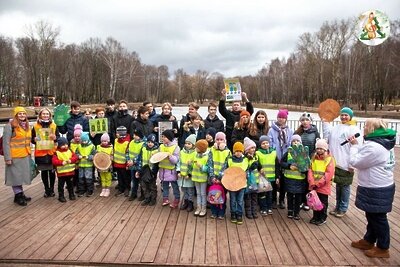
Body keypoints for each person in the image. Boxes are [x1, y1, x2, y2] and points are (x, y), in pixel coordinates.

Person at [349, 118, 396, 258]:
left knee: (378, 217)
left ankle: (383, 247)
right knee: (372, 214)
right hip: (380, 184)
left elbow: (355, 161)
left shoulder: (374, 147)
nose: (363, 128)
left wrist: (354, 146)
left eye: (365, 126)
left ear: (371, 129)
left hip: (376, 186)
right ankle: (369, 240)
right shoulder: (383, 142)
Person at [322, 107, 361, 218]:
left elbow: (357, 147)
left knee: (344, 187)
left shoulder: (353, 129)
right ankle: (337, 206)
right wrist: (325, 121)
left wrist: (352, 165)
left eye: (346, 115)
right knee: (338, 186)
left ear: (350, 116)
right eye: (342, 115)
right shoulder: (337, 127)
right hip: (335, 162)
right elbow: (328, 137)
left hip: (346, 163)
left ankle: (343, 208)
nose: (344, 117)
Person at [3, 107, 33, 206]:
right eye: (19, 114)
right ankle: (18, 195)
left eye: (23, 114)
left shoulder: (26, 126)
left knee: (20, 176)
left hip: (25, 154)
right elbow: (6, 143)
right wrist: (7, 158)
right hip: (14, 156)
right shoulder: (9, 126)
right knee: (15, 176)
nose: (22, 115)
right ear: (16, 115)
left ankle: (19, 194)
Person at [294, 112, 320, 211]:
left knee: (308, 182)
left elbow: (317, 146)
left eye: (307, 120)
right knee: (300, 181)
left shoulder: (315, 132)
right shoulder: (297, 132)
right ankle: (299, 201)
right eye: (303, 120)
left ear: (310, 121)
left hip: (310, 160)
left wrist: (312, 157)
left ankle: (306, 201)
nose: (305, 122)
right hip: (300, 160)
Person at [268, 109, 293, 209]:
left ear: (286, 119)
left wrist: (287, 153)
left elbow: (291, 143)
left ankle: (282, 199)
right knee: (274, 179)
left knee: (284, 180)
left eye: (283, 118)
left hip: (285, 157)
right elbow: (270, 142)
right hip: (275, 157)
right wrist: (275, 153)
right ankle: (273, 199)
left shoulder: (289, 130)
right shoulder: (271, 130)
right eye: (279, 117)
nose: (281, 119)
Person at [31, 107, 59, 198]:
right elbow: (32, 139)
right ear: (40, 115)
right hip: (41, 153)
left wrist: (55, 138)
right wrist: (34, 139)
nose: (45, 115)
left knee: (51, 172)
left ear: (50, 115)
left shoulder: (54, 125)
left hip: (51, 152)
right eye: (43, 114)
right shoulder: (35, 126)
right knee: (44, 172)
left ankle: (52, 189)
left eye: (47, 114)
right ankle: (46, 190)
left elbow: (58, 137)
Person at [308, 138, 335, 226]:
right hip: (314, 185)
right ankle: (315, 217)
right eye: (318, 148)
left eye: (321, 149)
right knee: (314, 202)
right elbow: (310, 170)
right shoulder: (314, 158)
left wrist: (318, 183)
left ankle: (322, 218)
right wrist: (311, 182)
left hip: (323, 186)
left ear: (325, 149)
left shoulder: (329, 159)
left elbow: (328, 174)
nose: (319, 150)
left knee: (322, 203)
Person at [281, 135, 308, 220]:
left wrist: (302, 168)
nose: (296, 142)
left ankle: (296, 212)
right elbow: (282, 163)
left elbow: (307, 166)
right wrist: (289, 166)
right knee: (289, 196)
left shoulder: (304, 153)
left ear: (301, 143)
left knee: (298, 197)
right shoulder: (288, 152)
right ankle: (290, 210)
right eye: (294, 141)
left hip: (300, 179)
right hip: (289, 179)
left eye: (297, 141)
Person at [208, 132, 231, 219]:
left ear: (224, 141)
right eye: (217, 139)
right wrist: (212, 176)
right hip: (213, 179)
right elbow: (210, 164)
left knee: (222, 196)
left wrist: (220, 178)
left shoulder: (228, 152)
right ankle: (214, 212)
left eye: (221, 140)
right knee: (213, 195)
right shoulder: (211, 150)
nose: (219, 141)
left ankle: (221, 213)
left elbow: (226, 166)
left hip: (222, 180)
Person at [256, 135, 279, 216]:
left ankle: (269, 207)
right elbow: (256, 163)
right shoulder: (258, 153)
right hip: (262, 178)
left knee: (270, 194)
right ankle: (263, 208)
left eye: (267, 143)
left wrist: (277, 177)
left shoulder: (274, 152)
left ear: (269, 143)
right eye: (263, 143)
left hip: (272, 177)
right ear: (260, 144)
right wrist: (259, 168)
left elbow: (277, 166)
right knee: (262, 194)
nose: (265, 145)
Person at [227, 142, 248, 225]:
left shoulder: (245, 160)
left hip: (242, 184)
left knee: (240, 200)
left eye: (240, 151)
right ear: (233, 151)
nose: (238, 153)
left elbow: (248, 170)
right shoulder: (229, 160)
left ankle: (239, 214)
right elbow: (226, 171)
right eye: (236, 151)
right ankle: (233, 213)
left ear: (242, 152)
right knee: (233, 200)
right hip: (232, 184)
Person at [158, 129, 180, 208]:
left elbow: (176, 160)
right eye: (162, 136)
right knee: (165, 185)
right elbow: (158, 157)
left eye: (164, 137)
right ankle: (165, 199)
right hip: (163, 170)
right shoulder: (161, 146)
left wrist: (170, 156)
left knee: (174, 186)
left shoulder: (176, 147)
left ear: (169, 138)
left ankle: (177, 199)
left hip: (171, 171)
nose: (163, 138)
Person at [52, 137, 79, 202]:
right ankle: (61, 196)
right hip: (61, 173)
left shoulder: (70, 151)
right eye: (63, 145)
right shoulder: (56, 153)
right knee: (61, 185)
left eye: (66, 144)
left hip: (70, 172)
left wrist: (71, 160)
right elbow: (54, 161)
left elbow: (75, 157)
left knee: (70, 184)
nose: (65, 146)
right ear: (60, 145)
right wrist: (61, 162)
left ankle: (71, 194)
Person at [135, 134, 159, 206]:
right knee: (144, 186)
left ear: (154, 142)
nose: (150, 144)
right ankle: (147, 198)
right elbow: (139, 159)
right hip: (143, 170)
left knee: (152, 186)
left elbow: (158, 163)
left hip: (152, 171)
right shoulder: (143, 148)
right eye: (148, 142)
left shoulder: (157, 150)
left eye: (152, 142)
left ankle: (153, 199)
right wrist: (138, 170)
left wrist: (154, 172)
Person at [191, 139, 212, 217]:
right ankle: (198, 208)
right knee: (198, 193)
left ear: (201, 148)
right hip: (196, 177)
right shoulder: (195, 155)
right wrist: (190, 164)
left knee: (203, 194)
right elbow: (192, 167)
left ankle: (203, 208)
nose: (195, 148)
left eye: (197, 147)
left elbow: (208, 169)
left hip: (203, 178)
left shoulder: (207, 157)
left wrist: (202, 167)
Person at [177, 134, 196, 212]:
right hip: (182, 175)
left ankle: (190, 203)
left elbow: (194, 165)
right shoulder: (182, 152)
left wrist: (190, 174)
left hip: (189, 176)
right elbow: (179, 162)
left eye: (189, 144)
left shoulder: (194, 153)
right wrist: (178, 171)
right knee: (184, 189)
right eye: (186, 143)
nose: (187, 145)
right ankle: (186, 201)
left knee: (190, 190)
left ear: (193, 145)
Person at [75, 132, 96, 197]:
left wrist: (89, 157)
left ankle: (90, 190)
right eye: (82, 141)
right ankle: (82, 190)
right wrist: (78, 156)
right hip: (81, 165)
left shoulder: (92, 146)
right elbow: (76, 154)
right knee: (80, 178)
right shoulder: (78, 146)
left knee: (88, 178)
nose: (84, 142)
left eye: (85, 141)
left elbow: (95, 156)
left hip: (88, 165)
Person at [127, 129, 145, 201]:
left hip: (139, 165)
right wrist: (128, 159)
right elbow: (128, 152)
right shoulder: (131, 142)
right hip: (132, 165)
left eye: (136, 135)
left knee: (141, 180)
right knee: (134, 180)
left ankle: (143, 194)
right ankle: (133, 194)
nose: (134, 136)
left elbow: (141, 155)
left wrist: (134, 161)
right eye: (134, 135)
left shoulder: (143, 144)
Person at [243, 137, 259, 219]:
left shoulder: (256, 157)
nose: (253, 149)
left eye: (254, 148)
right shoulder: (244, 158)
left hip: (255, 180)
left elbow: (258, 166)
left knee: (254, 197)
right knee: (247, 198)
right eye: (251, 148)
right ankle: (248, 212)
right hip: (247, 181)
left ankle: (254, 211)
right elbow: (245, 167)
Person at [113, 126, 131, 196]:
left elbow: (128, 154)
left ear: (121, 134)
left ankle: (127, 188)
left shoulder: (127, 142)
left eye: (117, 133)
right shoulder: (115, 140)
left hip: (124, 163)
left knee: (126, 177)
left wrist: (127, 164)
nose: (116, 134)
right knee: (119, 177)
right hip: (117, 162)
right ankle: (121, 188)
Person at [96, 133, 113, 197]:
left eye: (105, 141)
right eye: (103, 141)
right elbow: (97, 156)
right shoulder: (98, 147)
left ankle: (107, 189)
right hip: (100, 165)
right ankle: (103, 189)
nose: (104, 142)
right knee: (102, 177)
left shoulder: (110, 148)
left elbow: (112, 156)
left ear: (108, 141)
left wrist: (111, 159)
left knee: (108, 177)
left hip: (108, 166)